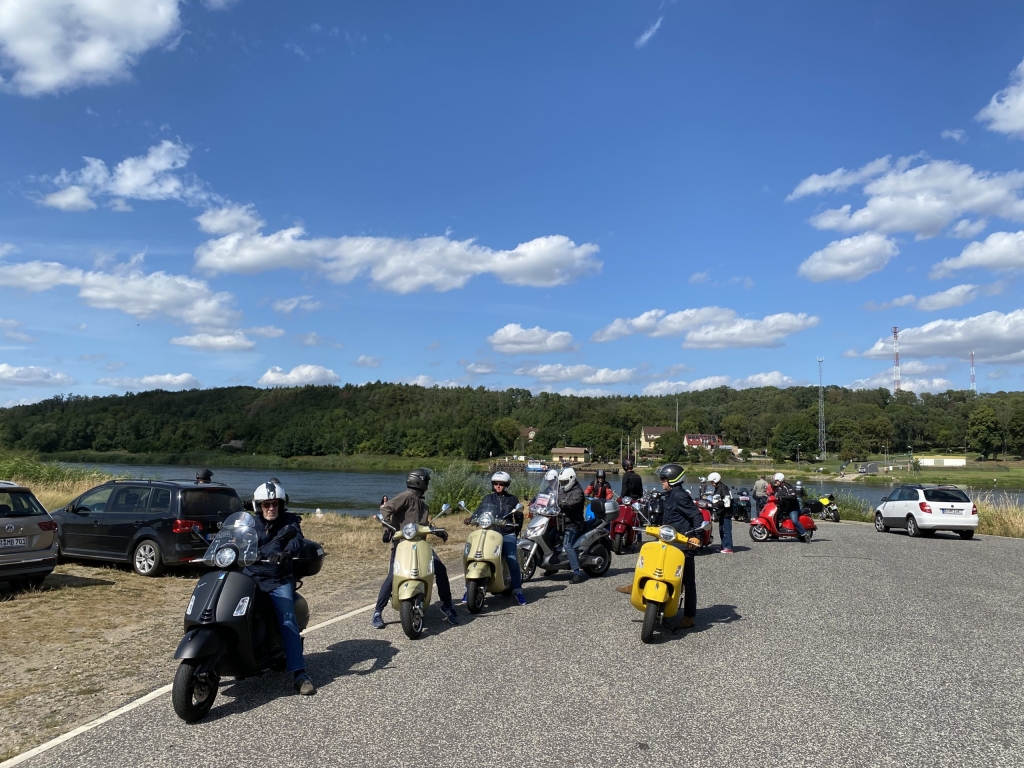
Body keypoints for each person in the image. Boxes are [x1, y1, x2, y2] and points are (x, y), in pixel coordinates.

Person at [243, 480, 315, 695]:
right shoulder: (249, 523)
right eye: (266, 504)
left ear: (281, 505)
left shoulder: (289, 521)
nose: (271, 508)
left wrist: (285, 553)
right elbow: (233, 537)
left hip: (278, 578)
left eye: (275, 504)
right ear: (258, 506)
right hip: (251, 574)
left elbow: (296, 539)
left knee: (287, 618)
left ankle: (300, 673)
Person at [371, 468, 459, 629]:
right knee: (393, 576)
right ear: (420, 481)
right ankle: (378, 612)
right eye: (427, 481)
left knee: (440, 569)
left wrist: (438, 531)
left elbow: (425, 525)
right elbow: (386, 509)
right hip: (401, 545)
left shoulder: (423, 505)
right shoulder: (406, 497)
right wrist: (388, 530)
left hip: (421, 545)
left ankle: (447, 605)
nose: (428, 483)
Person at [618, 463, 701, 630]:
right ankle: (638, 585)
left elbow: (696, 516)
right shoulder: (669, 494)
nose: (661, 481)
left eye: (663, 478)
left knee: (688, 581)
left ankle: (689, 616)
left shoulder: (680, 496)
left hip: (683, 544)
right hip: (669, 541)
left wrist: (696, 537)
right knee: (651, 560)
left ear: (671, 479)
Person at [463, 471, 527, 606]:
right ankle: (468, 588)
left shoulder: (513, 499)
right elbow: (479, 512)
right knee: (474, 555)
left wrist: (515, 529)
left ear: (506, 485)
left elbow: (519, 517)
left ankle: (518, 591)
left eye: (501, 484)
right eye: (496, 484)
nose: (498, 486)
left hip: (506, 533)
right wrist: (471, 518)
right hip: (490, 533)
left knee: (512, 559)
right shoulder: (487, 499)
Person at [557, 467, 586, 583]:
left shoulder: (577, 492)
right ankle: (552, 567)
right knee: (550, 537)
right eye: (561, 483)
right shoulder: (562, 490)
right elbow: (554, 498)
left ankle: (577, 572)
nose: (563, 485)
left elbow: (570, 504)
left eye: (564, 482)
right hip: (562, 522)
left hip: (574, 524)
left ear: (571, 479)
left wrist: (560, 504)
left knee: (567, 544)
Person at [771, 472, 809, 542]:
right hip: (784, 508)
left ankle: (805, 533)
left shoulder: (788, 487)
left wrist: (784, 497)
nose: (775, 482)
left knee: (794, 520)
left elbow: (793, 496)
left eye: (776, 481)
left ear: (780, 480)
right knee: (775, 517)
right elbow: (775, 495)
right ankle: (775, 535)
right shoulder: (779, 488)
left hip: (792, 508)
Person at [707, 471, 733, 554]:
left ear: (715, 480)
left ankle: (728, 547)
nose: (711, 483)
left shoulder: (723, 488)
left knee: (726, 530)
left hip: (726, 513)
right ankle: (723, 545)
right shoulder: (718, 488)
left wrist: (716, 504)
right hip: (721, 513)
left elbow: (726, 500)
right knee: (721, 530)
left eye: (712, 482)